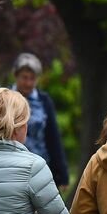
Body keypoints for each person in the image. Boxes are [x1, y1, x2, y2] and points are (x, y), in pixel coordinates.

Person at [12, 53, 70, 189]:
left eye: (32, 78)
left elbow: (53, 138)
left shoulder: (44, 101)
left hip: (39, 168)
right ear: (16, 76)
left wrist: (62, 174)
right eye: (24, 77)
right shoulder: (5, 97)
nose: (28, 83)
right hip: (12, 167)